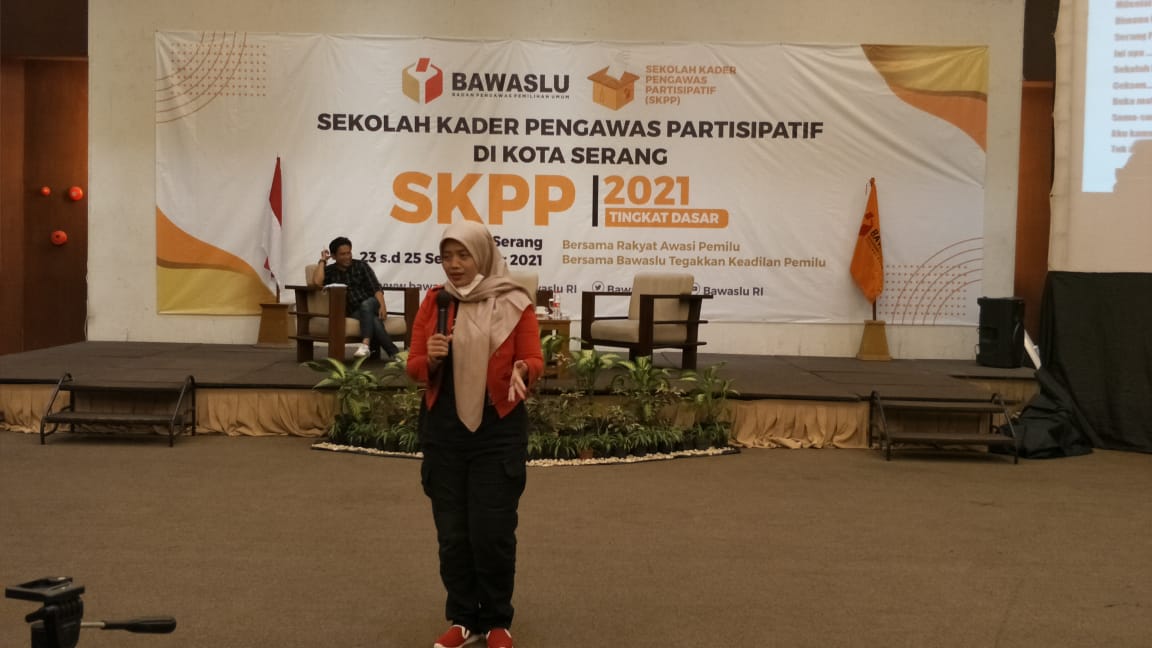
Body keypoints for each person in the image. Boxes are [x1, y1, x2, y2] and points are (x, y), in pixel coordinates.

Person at [406, 221, 542, 648]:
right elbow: (413, 367)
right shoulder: (436, 301)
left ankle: (497, 620)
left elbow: (534, 358)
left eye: (463, 254)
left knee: (492, 532)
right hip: (444, 431)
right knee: (453, 534)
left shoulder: (515, 301)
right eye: (447, 256)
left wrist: (524, 369)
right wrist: (429, 359)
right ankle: (464, 618)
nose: (454, 264)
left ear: (481, 255)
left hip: (497, 430)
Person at [312, 236, 399, 359]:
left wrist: (383, 306)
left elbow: (375, 288)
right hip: (354, 311)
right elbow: (317, 282)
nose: (347, 257)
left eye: (349, 253)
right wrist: (322, 261)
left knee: (366, 304)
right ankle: (395, 354)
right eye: (343, 254)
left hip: (372, 303)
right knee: (374, 321)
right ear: (334, 256)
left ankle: (365, 344)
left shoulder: (361, 266)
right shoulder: (330, 271)